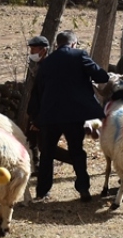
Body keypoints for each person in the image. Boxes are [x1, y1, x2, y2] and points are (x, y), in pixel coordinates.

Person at [29, 30, 110, 201]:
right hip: (74, 115)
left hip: (50, 116)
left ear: (57, 44)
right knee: (77, 152)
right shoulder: (80, 55)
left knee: (47, 154)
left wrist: (36, 117)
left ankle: (42, 192)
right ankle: (83, 188)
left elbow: (37, 92)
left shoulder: (46, 63)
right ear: (74, 43)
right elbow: (101, 76)